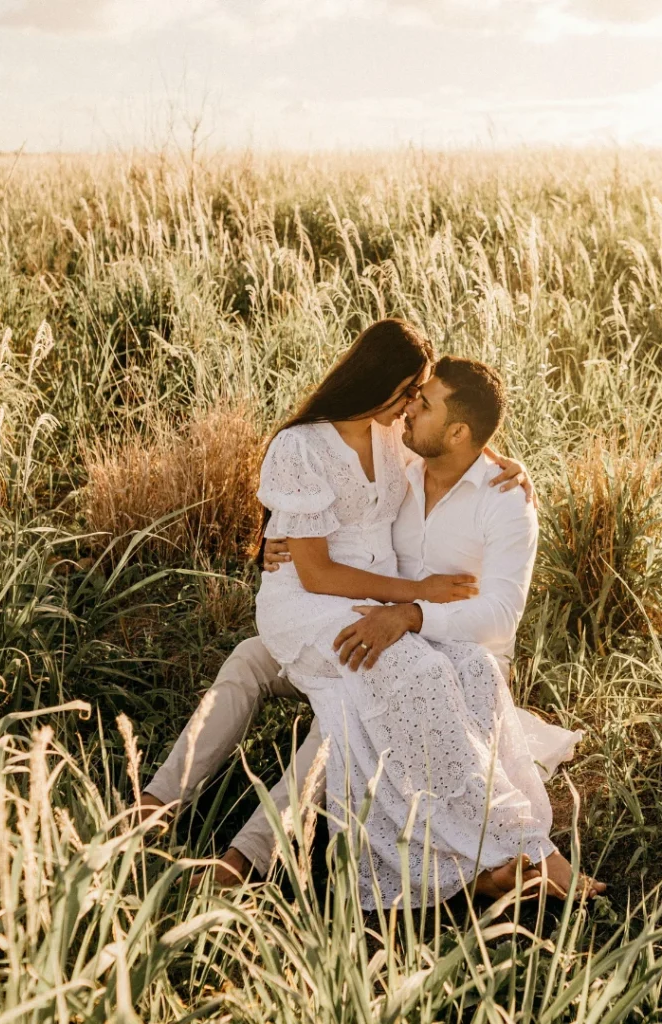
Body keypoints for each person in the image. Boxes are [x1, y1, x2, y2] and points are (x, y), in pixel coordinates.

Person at [142, 319, 604, 904]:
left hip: (400, 625)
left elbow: (453, 445)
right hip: (328, 607)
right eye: (410, 393)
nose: (412, 407)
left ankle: (244, 859)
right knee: (256, 663)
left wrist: (498, 458)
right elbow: (317, 559)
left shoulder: (450, 472)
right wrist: (403, 593)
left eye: (422, 400)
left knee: (349, 706)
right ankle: (157, 804)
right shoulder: (357, 444)